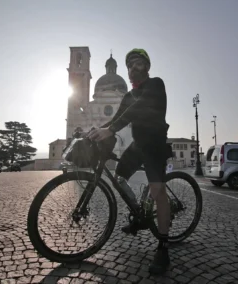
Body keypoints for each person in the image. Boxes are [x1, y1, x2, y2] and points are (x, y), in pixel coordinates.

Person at [88, 48, 171, 274]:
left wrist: (111, 128)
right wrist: (98, 133)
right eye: (130, 65)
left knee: (157, 191)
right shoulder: (126, 96)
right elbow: (115, 120)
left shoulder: (156, 84)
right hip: (137, 145)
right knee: (119, 177)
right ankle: (138, 213)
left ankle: (163, 247)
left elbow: (138, 109)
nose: (133, 68)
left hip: (155, 145)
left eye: (138, 63)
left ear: (147, 66)